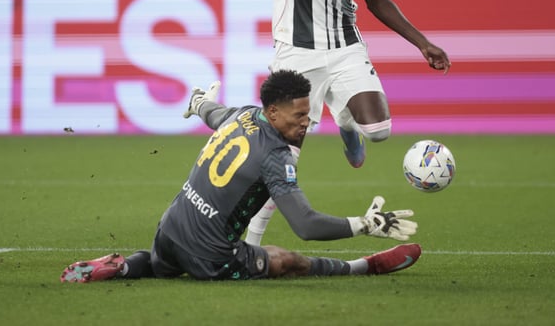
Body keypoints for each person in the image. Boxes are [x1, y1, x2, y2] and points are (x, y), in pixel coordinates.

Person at [214, 0, 451, 245]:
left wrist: (422, 43)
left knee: (379, 131)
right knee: (283, 157)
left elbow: (377, 1)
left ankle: (345, 122)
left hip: (345, 48)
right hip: (295, 54)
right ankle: (251, 243)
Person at [61, 70, 421, 283]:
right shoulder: (276, 156)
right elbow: (306, 225)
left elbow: (214, 113)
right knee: (286, 260)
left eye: (308, 113)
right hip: (211, 257)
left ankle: (125, 267)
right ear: (273, 112)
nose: (307, 122)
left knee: (161, 266)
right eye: (299, 115)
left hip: (168, 232)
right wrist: (365, 224)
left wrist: (197, 102)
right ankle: (363, 267)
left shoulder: (244, 115)